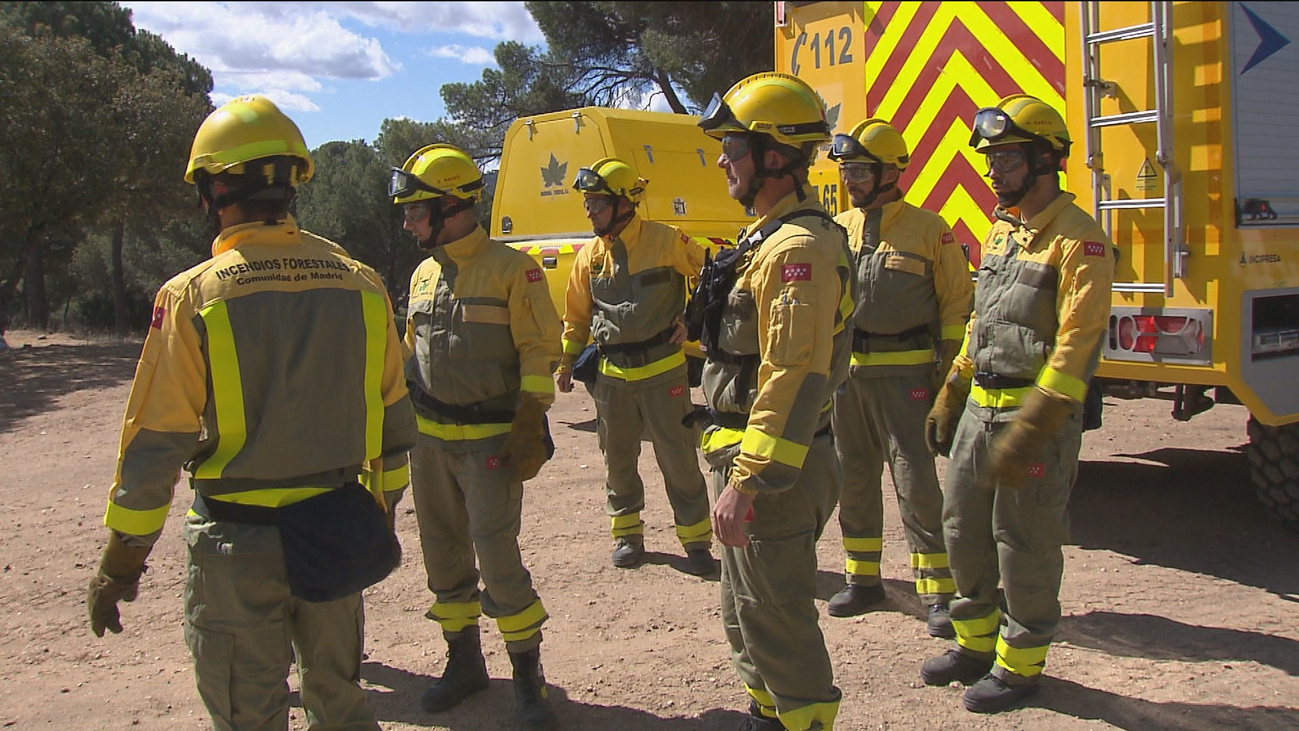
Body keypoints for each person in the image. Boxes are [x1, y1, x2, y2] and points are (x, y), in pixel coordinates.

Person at [86, 95, 417, 730]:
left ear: (213, 189)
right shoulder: (362, 282)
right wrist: (378, 513)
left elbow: (157, 443)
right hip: (338, 528)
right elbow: (394, 426)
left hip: (238, 547)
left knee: (248, 716)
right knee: (343, 706)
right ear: (292, 183)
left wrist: (121, 561)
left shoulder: (193, 295)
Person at [920, 95, 1115, 713]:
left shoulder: (1078, 240)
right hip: (979, 409)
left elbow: (1078, 342)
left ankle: (1020, 665)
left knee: (1024, 541)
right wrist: (954, 388)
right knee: (960, 528)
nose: (992, 170)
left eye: (1005, 158)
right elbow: (984, 318)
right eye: (990, 158)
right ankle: (975, 644)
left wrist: (1038, 422)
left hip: (1033, 417)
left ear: (1044, 160)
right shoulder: (1002, 229)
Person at [693, 72, 853, 731]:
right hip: (753, 465)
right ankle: (771, 715)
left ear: (776, 155)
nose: (723, 158)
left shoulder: (799, 250)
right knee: (747, 611)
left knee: (778, 619)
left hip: (775, 474)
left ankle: (805, 720)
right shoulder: (765, 239)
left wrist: (748, 482)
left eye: (734, 145)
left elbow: (792, 375)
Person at [391, 143, 562, 729]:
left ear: (452, 206)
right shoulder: (421, 273)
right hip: (430, 445)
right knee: (442, 554)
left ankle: (528, 678)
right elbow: (414, 355)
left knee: (496, 554)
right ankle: (463, 664)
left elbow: (541, 350)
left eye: (417, 210)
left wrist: (529, 418)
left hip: (492, 442)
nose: (409, 222)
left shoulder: (513, 268)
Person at [823, 119, 972, 636]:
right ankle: (863, 580)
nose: (851, 181)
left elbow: (956, 309)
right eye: (846, 170)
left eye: (861, 170)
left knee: (915, 482)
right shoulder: (837, 228)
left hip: (907, 376)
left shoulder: (931, 230)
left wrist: (949, 381)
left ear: (892, 172)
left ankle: (938, 593)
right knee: (853, 477)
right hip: (850, 376)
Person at [554, 157, 715, 575]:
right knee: (617, 459)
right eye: (587, 202)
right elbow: (576, 316)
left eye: (597, 202)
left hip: (664, 372)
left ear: (624, 203)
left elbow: (708, 274)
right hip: (613, 378)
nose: (589, 210)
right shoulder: (589, 256)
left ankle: (696, 541)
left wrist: (691, 320)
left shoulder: (665, 241)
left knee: (678, 458)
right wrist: (568, 360)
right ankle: (627, 536)